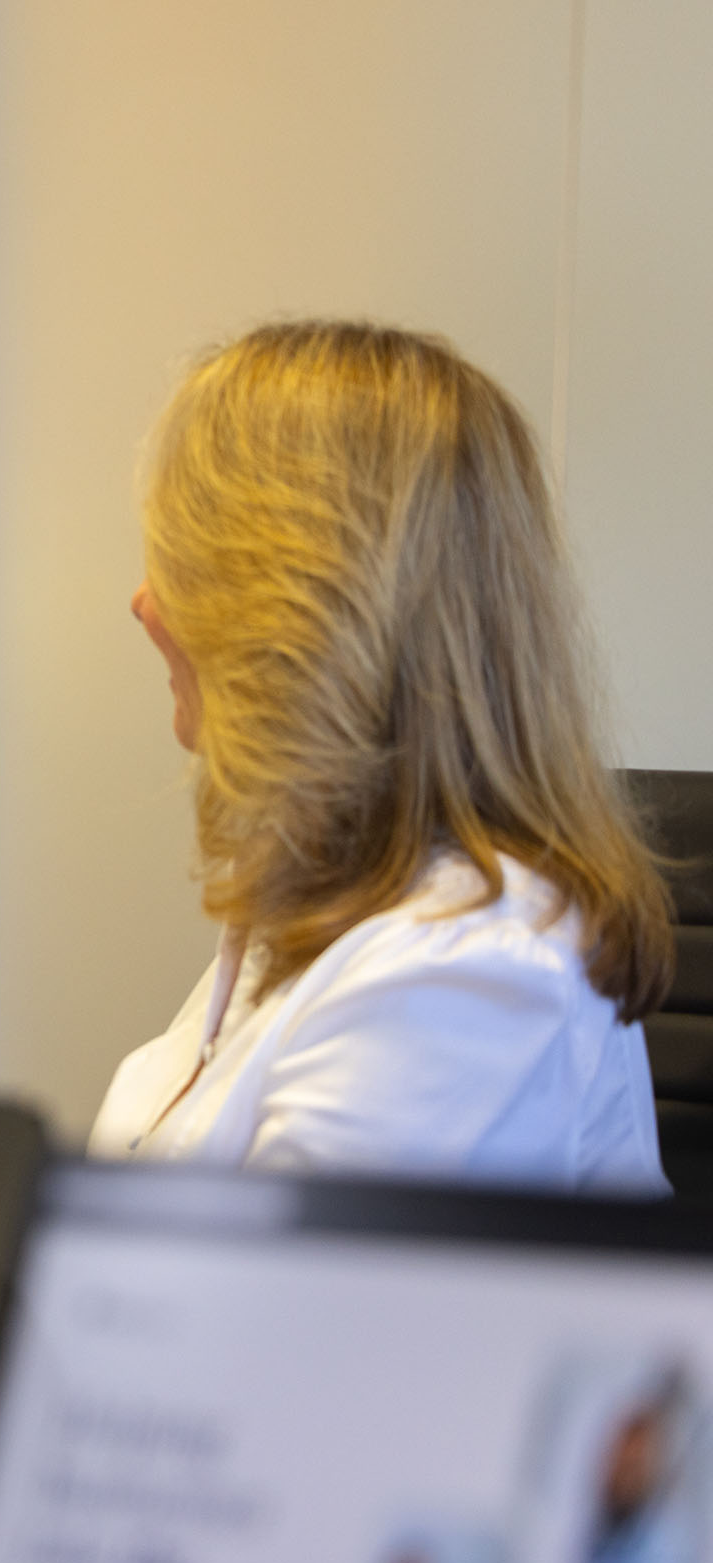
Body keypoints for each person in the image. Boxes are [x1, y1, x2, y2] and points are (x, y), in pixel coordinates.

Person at [89, 321, 672, 1190]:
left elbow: (280, 1318)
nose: (144, 604)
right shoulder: (323, 899)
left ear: (292, 606)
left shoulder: (458, 972)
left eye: (187, 562)